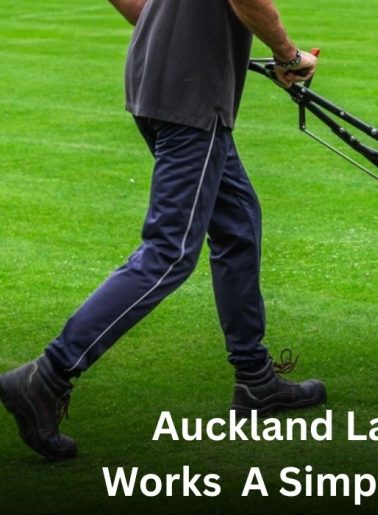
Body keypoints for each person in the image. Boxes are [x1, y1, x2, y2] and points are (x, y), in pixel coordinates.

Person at [0, 0, 326, 461]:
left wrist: (163, 25)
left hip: (157, 79)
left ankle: (255, 381)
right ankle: (47, 376)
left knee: (237, 226)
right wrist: (289, 56)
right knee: (168, 252)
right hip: (192, 101)